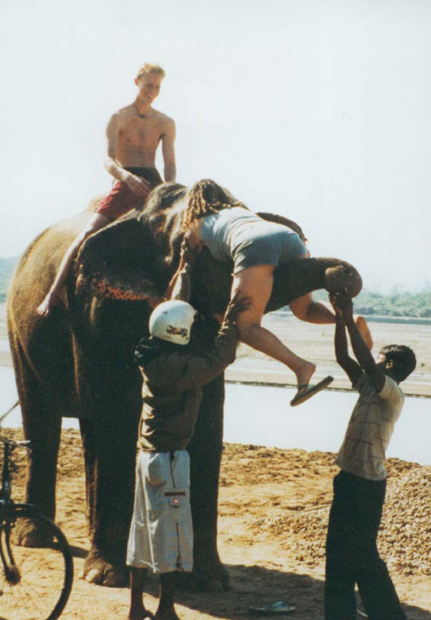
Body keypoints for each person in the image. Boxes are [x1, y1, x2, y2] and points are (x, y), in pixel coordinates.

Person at [168, 178, 372, 406]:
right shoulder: (240, 211)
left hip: (253, 244)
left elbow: (185, 269)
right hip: (289, 238)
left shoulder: (196, 225)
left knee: (244, 326)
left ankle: (301, 367)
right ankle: (351, 320)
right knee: (305, 310)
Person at [126, 293, 249, 620]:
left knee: (140, 533)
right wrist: (229, 325)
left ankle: (136, 608)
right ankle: (166, 609)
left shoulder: (152, 355)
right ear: (178, 332)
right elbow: (214, 362)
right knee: (174, 537)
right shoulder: (175, 367)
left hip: (147, 458)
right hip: (170, 461)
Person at [37, 62, 176, 316]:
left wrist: (168, 191)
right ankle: (52, 294)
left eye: (157, 87)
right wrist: (126, 177)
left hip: (153, 183)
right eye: (148, 86)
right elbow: (108, 159)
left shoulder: (165, 122)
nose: (152, 91)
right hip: (126, 180)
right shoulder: (119, 117)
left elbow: (169, 162)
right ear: (137, 83)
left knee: (179, 234)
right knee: (88, 233)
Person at [324, 292, 416, 620]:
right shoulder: (368, 384)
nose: (374, 361)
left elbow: (363, 360)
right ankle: (339, 614)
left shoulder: (392, 392)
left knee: (363, 555)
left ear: (388, 365)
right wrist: (339, 319)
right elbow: (343, 357)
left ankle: (389, 615)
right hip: (348, 478)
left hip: (367, 486)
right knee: (336, 553)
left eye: (379, 358)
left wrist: (350, 319)